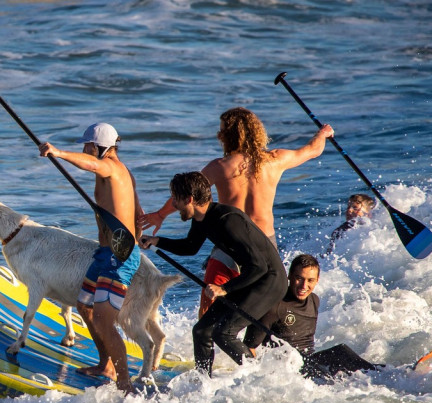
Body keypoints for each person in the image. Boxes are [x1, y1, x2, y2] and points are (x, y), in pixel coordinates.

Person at [140, 107, 334, 316]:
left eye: (222, 131)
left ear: (229, 136)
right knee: (258, 311)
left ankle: (208, 345)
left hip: (229, 244)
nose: (218, 135)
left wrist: (160, 214)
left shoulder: (221, 167)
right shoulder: (275, 160)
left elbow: (189, 193)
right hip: (265, 245)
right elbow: (312, 150)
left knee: (209, 310)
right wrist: (323, 133)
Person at [139, 171, 287, 375]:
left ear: (189, 199)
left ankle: (261, 376)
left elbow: (260, 266)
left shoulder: (228, 220)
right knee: (201, 331)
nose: (173, 204)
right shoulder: (202, 219)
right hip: (251, 278)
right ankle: (203, 383)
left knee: (224, 333)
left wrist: (224, 288)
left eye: (176, 199)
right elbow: (190, 247)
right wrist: (158, 241)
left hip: (270, 281)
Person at [38, 122, 143, 394]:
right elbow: (138, 212)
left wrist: (58, 153)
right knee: (85, 306)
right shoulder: (123, 175)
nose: (85, 150)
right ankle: (105, 364)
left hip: (118, 257)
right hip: (106, 254)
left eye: (88, 146)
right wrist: (138, 234)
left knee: (105, 321)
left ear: (102, 147)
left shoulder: (110, 166)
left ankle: (125, 384)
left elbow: (93, 165)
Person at [243, 253, 380, 377]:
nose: (304, 286)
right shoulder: (274, 306)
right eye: (299, 278)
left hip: (310, 364)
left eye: (310, 280)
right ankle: (379, 375)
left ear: (317, 280)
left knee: (354, 369)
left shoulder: (314, 300)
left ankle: (378, 374)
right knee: (341, 352)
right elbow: (249, 347)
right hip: (289, 370)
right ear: (289, 276)